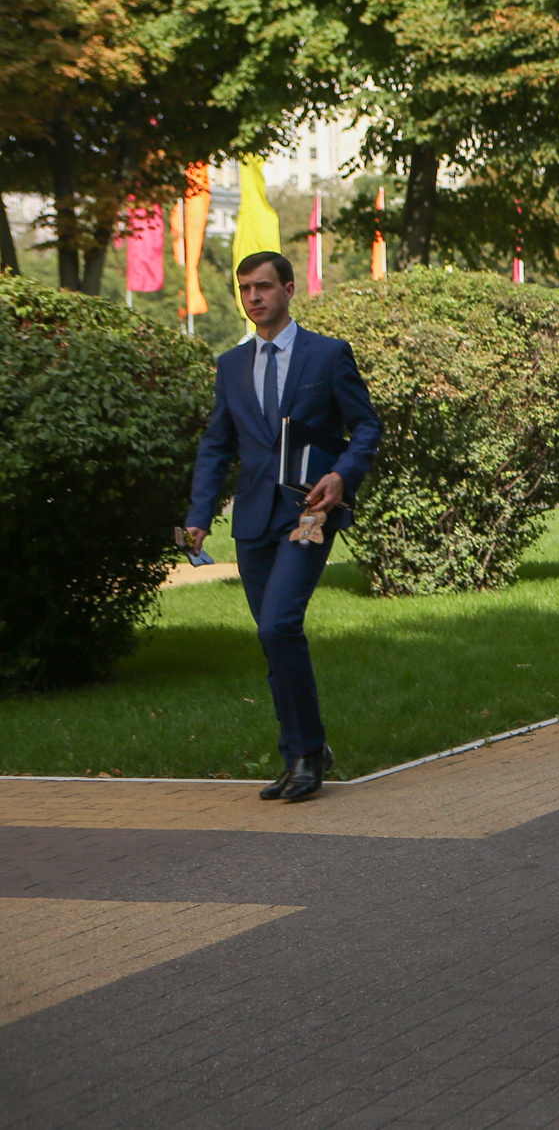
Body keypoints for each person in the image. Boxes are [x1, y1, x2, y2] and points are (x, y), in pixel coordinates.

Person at [183, 251, 382, 804]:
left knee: (277, 626)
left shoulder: (327, 354)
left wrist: (343, 475)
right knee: (274, 641)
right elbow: (217, 446)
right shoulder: (230, 366)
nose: (253, 298)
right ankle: (301, 750)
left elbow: (366, 425)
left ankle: (306, 753)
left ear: (289, 289)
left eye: (264, 286)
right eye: (245, 289)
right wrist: (199, 516)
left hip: (309, 513)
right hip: (252, 520)